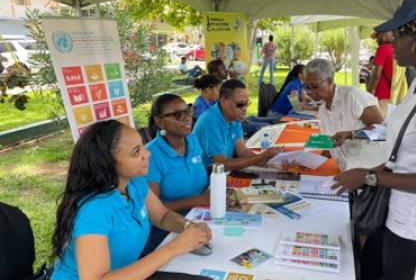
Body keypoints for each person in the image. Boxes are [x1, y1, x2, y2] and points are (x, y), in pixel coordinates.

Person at [331, 0, 416, 279]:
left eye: (398, 37)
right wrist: (368, 171)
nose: (391, 45)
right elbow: (400, 157)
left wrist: (370, 177)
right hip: (396, 218)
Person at [50, 120, 212, 280]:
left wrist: (188, 226)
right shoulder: (94, 210)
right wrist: (175, 247)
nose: (147, 154)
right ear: (107, 164)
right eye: (136, 152)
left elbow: (162, 216)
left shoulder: (134, 182)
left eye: (142, 145)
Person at [141, 94, 211, 255]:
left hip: (200, 213)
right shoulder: (151, 155)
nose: (186, 118)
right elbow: (154, 210)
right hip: (167, 225)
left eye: (188, 110)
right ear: (159, 121)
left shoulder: (192, 140)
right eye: (178, 114)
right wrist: (199, 200)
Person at [304, 58, 383, 171]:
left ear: (330, 80)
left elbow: (382, 133)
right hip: (348, 171)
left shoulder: (352, 97)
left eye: (315, 86)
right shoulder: (323, 110)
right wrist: (313, 159)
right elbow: (334, 143)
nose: (310, 92)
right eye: (307, 87)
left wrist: (350, 135)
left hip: (371, 170)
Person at [193, 79, 282, 170]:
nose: (244, 109)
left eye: (246, 104)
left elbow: (242, 151)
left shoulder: (234, 117)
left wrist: (268, 162)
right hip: (208, 178)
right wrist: (263, 157)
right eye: (240, 105)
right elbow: (222, 164)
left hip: (223, 173)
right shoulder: (209, 122)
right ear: (224, 101)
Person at [367, 31, 394, 117]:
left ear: (383, 35)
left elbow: (376, 75)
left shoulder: (382, 49)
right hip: (395, 93)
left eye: (377, 37)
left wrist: (368, 93)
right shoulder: (395, 48)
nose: (376, 40)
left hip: (383, 94)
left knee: (380, 126)